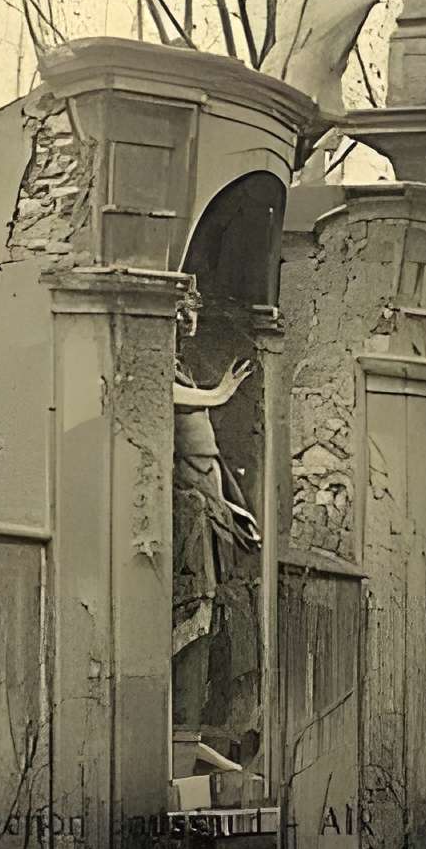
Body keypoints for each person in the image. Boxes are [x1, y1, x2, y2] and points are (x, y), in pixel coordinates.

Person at [172, 311, 259, 778]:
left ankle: (207, 738)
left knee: (224, 619)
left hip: (214, 506)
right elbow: (153, 391)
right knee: (197, 623)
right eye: (182, 307)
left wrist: (233, 505)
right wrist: (218, 394)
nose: (189, 318)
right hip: (191, 514)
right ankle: (185, 744)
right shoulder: (155, 364)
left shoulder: (180, 366)